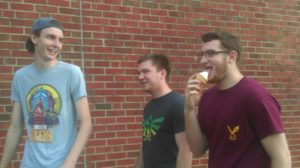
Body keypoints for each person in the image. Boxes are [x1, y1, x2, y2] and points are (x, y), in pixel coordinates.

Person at [184, 31, 291, 168]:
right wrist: (189, 109)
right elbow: (197, 150)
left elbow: (281, 155)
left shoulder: (254, 95)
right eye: (202, 54)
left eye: (211, 53)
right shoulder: (207, 98)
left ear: (232, 57)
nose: (203, 61)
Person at [0, 17, 92, 168]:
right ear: (34, 38)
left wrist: (70, 162)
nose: (56, 44)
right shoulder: (20, 76)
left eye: (60, 40)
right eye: (50, 37)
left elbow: (86, 122)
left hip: (61, 164)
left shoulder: (72, 73)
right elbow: (16, 126)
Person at [135, 54, 192, 168]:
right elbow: (146, 144)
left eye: (145, 71)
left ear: (162, 73)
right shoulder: (149, 107)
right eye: (139, 73)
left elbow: (185, 151)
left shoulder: (178, 104)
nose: (140, 77)